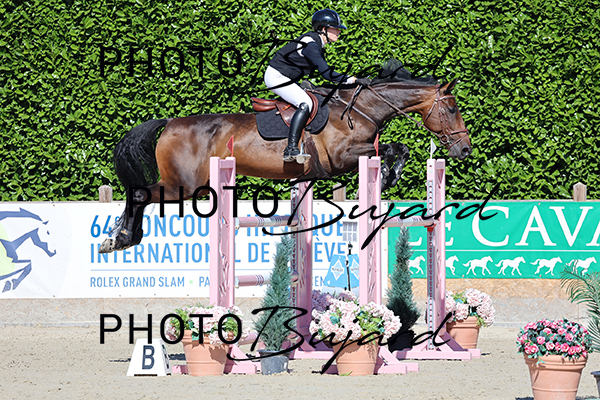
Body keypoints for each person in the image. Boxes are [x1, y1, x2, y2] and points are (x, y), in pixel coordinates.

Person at [265, 9, 357, 162]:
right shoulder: (311, 45)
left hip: (287, 77)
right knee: (305, 103)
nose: (339, 31)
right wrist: (352, 80)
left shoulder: (317, 43)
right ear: (324, 29)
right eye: (335, 28)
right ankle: (290, 149)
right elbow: (327, 74)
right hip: (276, 77)